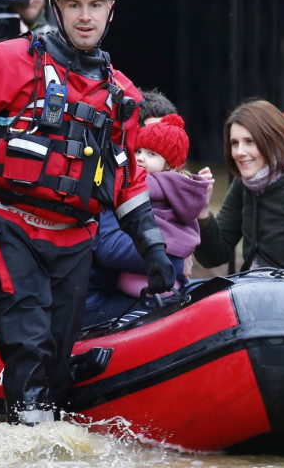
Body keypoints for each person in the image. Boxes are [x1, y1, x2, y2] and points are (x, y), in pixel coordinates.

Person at [0, 0, 175, 425]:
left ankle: (49, 453)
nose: (85, 16)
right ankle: (31, 459)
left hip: (73, 241)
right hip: (5, 225)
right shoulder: (8, 61)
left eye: (96, 5)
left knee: (56, 362)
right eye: (74, 5)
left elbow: (128, 180)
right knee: (30, 346)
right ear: (56, 8)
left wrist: (153, 249)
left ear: (110, 10)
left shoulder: (121, 92)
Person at [85, 114, 211, 327]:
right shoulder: (184, 191)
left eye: (151, 154)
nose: (141, 158)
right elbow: (111, 247)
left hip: (140, 285)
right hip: (141, 282)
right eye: (138, 151)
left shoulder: (140, 185)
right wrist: (178, 261)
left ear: (171, 165)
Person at [194, 99, 284, 272]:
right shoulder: (241, 186)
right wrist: (202, 212)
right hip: (250, 293)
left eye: (249, 141)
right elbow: (215, 256)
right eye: (234, 143)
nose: (239, 152)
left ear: (274, 141)